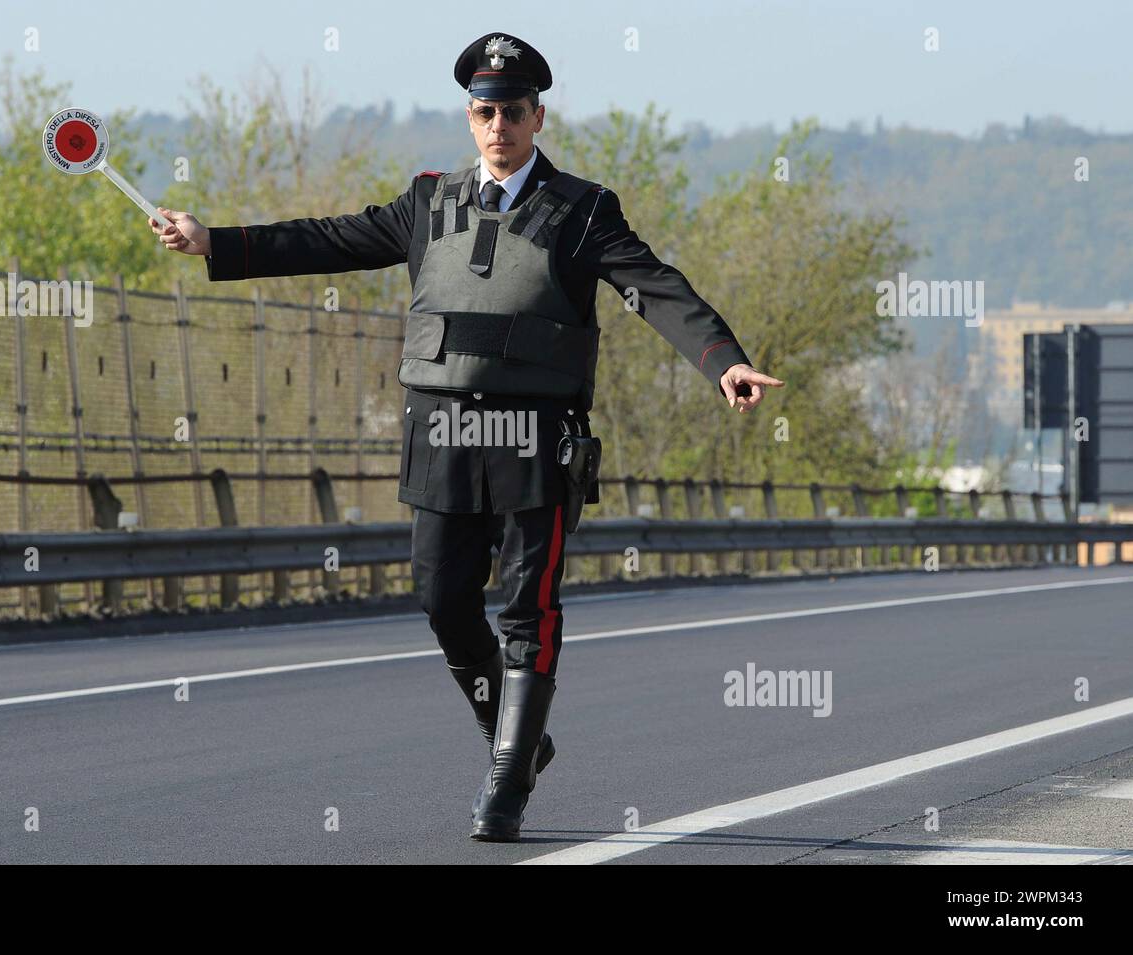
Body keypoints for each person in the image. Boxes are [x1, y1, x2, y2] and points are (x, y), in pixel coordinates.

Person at [150, 32, 784, 842]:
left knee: (529, 609)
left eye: (513, 111)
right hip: (442, 435)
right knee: (443, 599)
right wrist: (216, 241)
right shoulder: (427, 201)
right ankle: (517, 739)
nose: (499, 126)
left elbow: (655, 286)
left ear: (538, 116)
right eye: (485, 111)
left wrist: (722, 360)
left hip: (535, 438)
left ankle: (508, 778)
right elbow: (330, 238)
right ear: (470, 116)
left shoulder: (585, 210)